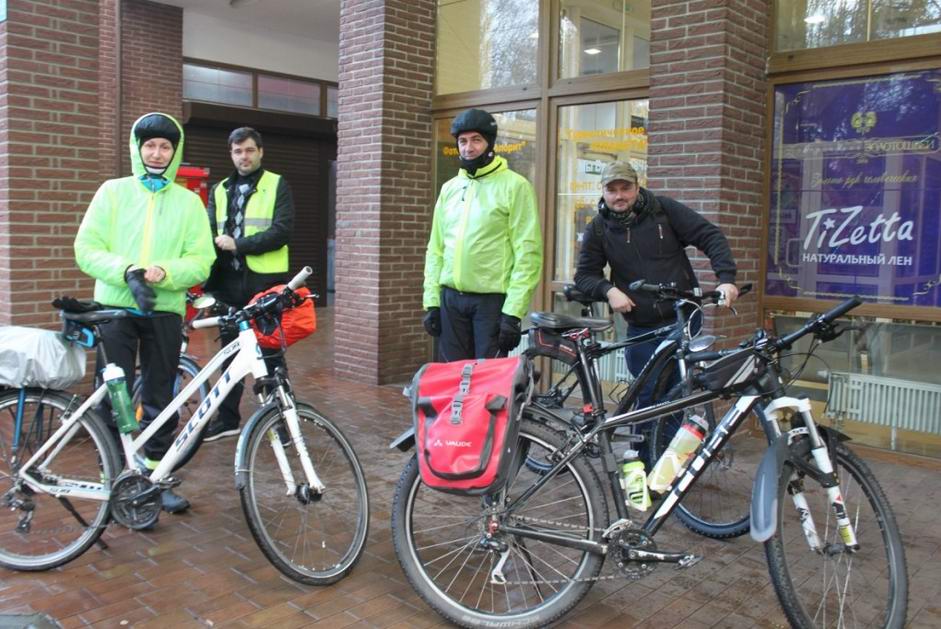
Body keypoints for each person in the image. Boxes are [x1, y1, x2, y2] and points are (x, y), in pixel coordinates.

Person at [74, 112, 216, 514]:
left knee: (160, 398)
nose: (157, 153)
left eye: (165, 146)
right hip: (115, 310)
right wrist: (128, 271)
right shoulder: (112, 192)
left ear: (176, 151)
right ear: (138, 149)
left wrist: (165, 273)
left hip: (164, 310)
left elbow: (202, 261)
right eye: (150, 145)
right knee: (111, 398)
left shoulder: (189, 202)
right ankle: (115, 479)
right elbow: (87, 249)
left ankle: (153, 480)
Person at [575, 160, 739, 412]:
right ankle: (644, 451)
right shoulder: (598, 228)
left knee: (675, 394)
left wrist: (726, 279)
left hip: (683, 317)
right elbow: (585, 275)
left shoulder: (664, 210)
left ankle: (666, 452)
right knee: (648, 395)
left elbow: (710, 235)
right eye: (612, 190)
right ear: (603, 192)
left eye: (625, 188)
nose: (619, 196)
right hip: (641, 326)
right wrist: (609, 290)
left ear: (637, 188)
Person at [422, 108, 543, 361]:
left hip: (491, 303)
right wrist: (432, 302)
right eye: (462, 141)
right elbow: (436, 249)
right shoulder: (450, 188)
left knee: (485, 386)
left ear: (490, 143)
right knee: (453, 380)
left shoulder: (515, 186)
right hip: (451, 301)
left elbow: (528, 253)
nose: (468, 148)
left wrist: (513, 312)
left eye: (476, 140)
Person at [202, 127, 294, 442]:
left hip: (263, 285)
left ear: (260, 152)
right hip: (227, 284)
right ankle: (228, 420)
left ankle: (282, 422)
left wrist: (238, 244)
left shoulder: (277, 184)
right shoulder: (219, 189)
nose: (244, 156)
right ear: (231, 154)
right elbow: (207, 235)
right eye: (238, 151)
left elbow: (282, 231)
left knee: (269, 355)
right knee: (230, 354)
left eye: (250, 150)